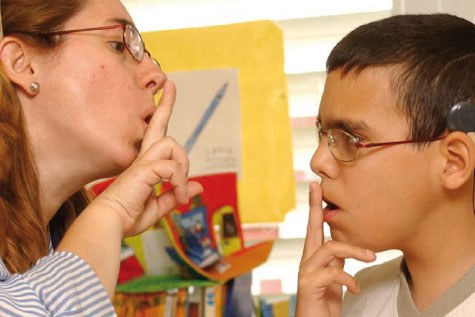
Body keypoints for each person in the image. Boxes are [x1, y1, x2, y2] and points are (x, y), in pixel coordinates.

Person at [0, 0, 202, 315]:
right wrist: (111, 213)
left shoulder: (54, 241)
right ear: (23, 64)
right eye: (118, 45)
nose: (156, 75)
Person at [296, 13, 475, 316]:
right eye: (323, 134)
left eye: (350, 138)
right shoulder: (356, 296)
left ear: (453, 163)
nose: (318, 161)